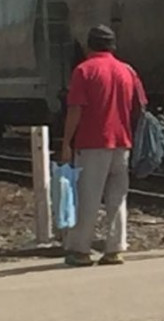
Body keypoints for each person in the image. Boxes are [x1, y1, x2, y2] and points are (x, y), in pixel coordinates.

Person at [61, 25, 147, 266]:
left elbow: (75, 109)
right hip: (122, 143)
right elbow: (140, 105)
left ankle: (81, 250)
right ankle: (115, 248)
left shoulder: (84, 70)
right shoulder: (127, 70)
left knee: (89, 197)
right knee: (117, 197)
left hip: (92, 143)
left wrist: (67, 142)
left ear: (89, 45)